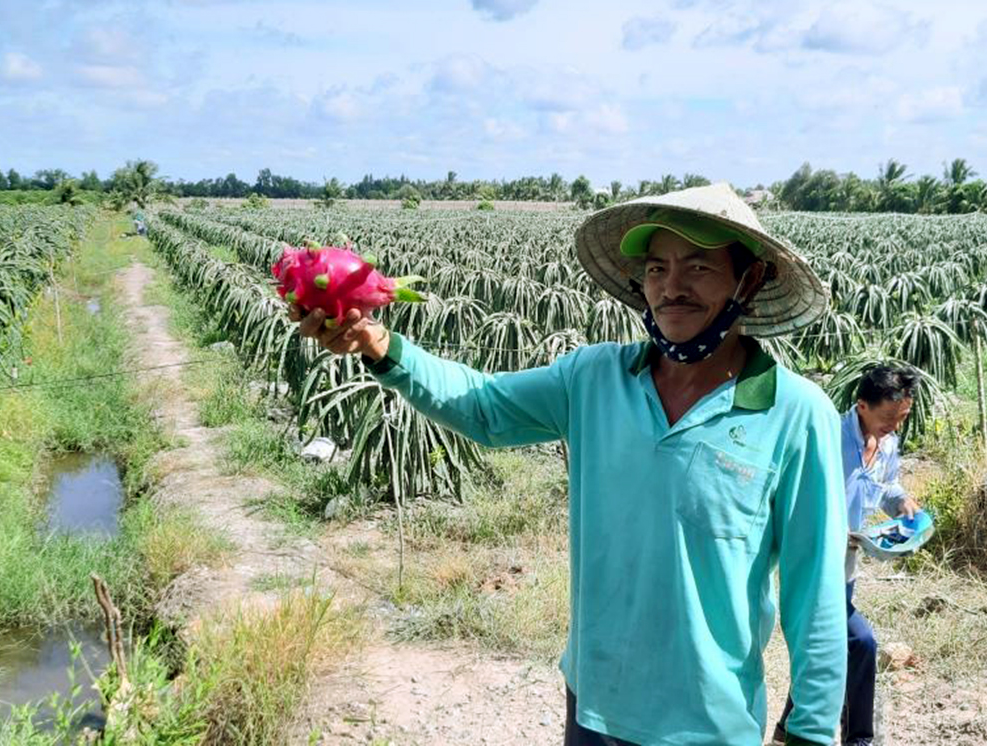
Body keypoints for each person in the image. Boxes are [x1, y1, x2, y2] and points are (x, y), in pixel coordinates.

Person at [292, 184, 848, 746]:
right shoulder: (593, 379)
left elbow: (815, 590)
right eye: (657, 268)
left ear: (749, 280)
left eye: (698, 266)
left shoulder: (795, 414)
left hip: (708, 724)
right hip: (593, 706)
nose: (671, 288)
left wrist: (810, 731)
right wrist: (380, 346)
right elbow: (484, 407)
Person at [773, 365, 920, 746]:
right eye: (889, 418)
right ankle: (859, 738)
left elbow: (886, 487)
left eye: (901, 418)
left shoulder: (887, 444)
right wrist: (833, 532)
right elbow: (801, 498)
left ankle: (786, 728)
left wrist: (901, 502)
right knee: (859, 643)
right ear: (861, 406)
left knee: (822, 650)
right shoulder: (828, 439)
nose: (894, 427)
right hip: (816, 565)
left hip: (847, 567)